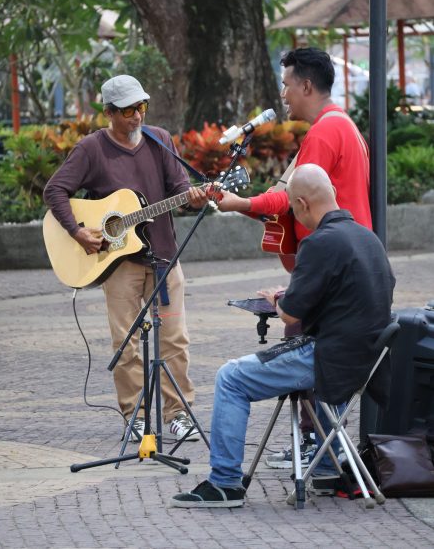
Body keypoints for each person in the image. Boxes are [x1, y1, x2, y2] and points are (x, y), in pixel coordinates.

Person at [171, 164, 395, 508]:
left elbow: (291, 314)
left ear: (302, 204)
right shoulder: (369, 238)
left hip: (327, 360)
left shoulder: (319, 242)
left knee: (231, 377)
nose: (293, 213)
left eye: (292, 207)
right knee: (319, 355)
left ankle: (225, 483)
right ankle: (325, 467)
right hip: (363, 362)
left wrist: (278, 298)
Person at [215, 47, 371, 468]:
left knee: (296, 341)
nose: (283, 94)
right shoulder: (347, 126)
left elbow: (292, 195)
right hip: (349, 265)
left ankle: (313, 448)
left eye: (286, 85)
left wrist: (240, 203)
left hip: (328, 262)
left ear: (306, 85)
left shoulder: (323, 133)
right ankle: (324, 452)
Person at [43, 74, 207, 441]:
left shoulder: (159, 139)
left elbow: (179, 187)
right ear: (109, 113)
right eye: (129, 110)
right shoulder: (91, 149)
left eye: (142, 107)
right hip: (118, 264)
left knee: (175, 339)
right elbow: (55, 190)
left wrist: (191, 196)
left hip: (164, 258)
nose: (137, 116)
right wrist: (78, 231)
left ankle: (178, 413)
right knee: (125, 342)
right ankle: (135, 415)